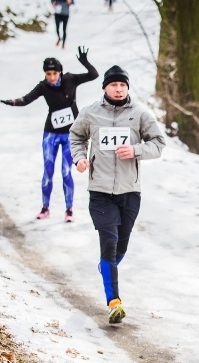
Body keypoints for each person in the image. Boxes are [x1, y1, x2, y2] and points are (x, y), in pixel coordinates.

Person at [69, 65, 166, 324]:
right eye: (114, 85)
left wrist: (135, 150)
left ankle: (106, 269)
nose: (119, 89)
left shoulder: (140, 114)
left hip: (130, 191)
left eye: (123, 85)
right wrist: (79, 158)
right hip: (100, 191)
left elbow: (158, 144)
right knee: (109, 242)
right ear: (105, 88)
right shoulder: (90, 113)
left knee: (121, 245)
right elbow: (75, 136)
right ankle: (114, 302)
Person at [0, 48, 98, 221]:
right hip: (51, 134)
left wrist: (85, 62)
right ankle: (45, 208)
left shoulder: (70, 79)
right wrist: (13, 102)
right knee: (48, 171)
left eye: (54, 73)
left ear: (59, 72)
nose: (51, 77)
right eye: (48, 73)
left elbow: (93, 75)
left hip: (70, 135)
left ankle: (69, 210)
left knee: (66, 171)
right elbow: (27, 99)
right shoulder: (43, 86)